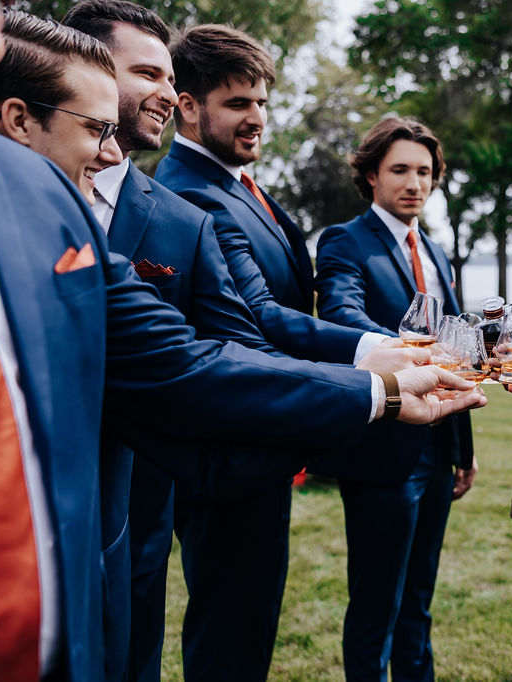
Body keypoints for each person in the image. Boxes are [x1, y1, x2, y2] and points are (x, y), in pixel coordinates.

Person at [0, 8, 484, 681]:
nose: (110, 152)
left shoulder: (89, 231)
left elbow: (192, 362)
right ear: (19, 120)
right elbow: (245, 329)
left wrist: (382, 390)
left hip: (96, 532)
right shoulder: (102, 207)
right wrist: (376, 374)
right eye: (96, 128)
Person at [148, 22, 399, 681]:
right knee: (231, 626)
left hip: (261, 432)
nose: (257, 117)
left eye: (262, 101)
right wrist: (378, 348)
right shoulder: (193, 192)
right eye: (238, 103)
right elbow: (259, 315)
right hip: (226, 438)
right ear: (186, 105)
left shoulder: (239, 184)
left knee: (249, 616)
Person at [311, 117, 476, 680]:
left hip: (437, 449)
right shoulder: (343, 241)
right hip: (382, 446)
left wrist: (463, 447)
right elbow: (342, 314)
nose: (415, 183)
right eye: (401, 170)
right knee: (376, 603)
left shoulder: (437, 252)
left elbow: (456, 348)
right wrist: (406, 350)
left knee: (419, 601)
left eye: (425, 172)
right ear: (372, 175)